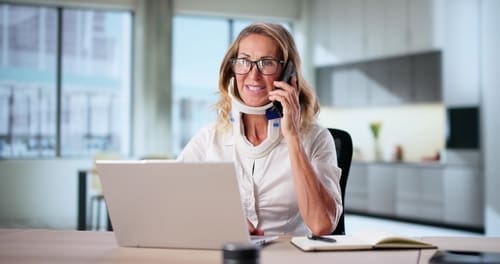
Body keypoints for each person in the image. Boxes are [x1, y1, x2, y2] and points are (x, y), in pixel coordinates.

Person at [177, 22, 342, 236]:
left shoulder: (316, 138)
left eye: (267, 63)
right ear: (232, 68)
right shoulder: (209, 138)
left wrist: (292, 137)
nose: (253, 75)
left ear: (288, 74)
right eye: (244, 61)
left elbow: (322, 224)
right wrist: (218, 221)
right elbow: (172, 201)